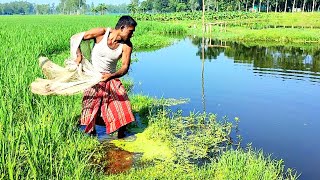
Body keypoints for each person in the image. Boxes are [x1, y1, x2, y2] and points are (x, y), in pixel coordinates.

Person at [76, 15, 137, 138]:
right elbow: (76, 38)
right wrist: (79, 55)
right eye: (130, 31)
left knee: (123, 108)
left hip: (111, 78)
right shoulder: (101, 34)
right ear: (122, 27)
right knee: (91, 110)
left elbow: (125, 67)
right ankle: (91, 136)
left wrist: (111, 76)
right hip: (94, 77)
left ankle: (121, 137)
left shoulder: (127, 45)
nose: (132, 35)